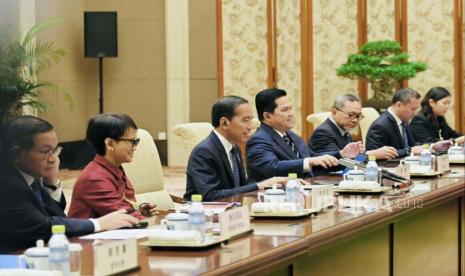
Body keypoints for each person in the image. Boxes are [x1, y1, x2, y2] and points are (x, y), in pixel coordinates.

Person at [0, 116, 138, 253]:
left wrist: (51, 182)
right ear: (18, 154)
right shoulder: (7, 184)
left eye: (55, 151)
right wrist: (99, 223)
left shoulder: (28, 173)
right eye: (46, 152)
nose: (54, 159)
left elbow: (56, 216)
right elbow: (42, 227)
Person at [184, 96, 287, 201]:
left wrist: (268, 185)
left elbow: (241, 187)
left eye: (251, 119)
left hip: (232, 211)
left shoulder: (234, 147)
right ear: (224, 123)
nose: (250, 126)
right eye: (245, 120)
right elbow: (211, 195)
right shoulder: (203, 152)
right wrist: (259, 185)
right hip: (203, 213)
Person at [68, 113, 157, 220]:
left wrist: (139, 211)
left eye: (136, 141)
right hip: (88, 236)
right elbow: (125, 216)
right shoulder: (94, 178)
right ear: (110, 143)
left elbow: (124, 208)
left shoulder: (114, 169)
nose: (135, 147)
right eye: (131, 141)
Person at [246, 88, 339, 182]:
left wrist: (341, 154)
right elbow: (273, 167)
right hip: (270, 195)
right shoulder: (258, 140)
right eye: (285, 110)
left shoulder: (291, 135)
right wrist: (310, 161)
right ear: (267, 116)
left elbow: (313, 158)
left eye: (291, 108)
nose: (291, 113)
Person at [309, 94, 398, 161]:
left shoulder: (344, 129)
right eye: (351, 115)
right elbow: (341, 162)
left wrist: (361, 152)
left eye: (358, 116)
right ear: (334, 112)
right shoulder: (322, 133)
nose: (355, 120)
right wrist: (372, 154)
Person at [366, 88, 424, 157]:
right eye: (413, 109)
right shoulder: (380, 126)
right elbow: (374, 156)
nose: (415, 113)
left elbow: (412, 146)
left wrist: (429, 147)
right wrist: (408, 151)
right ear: (398, 105)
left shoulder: (404, 120)